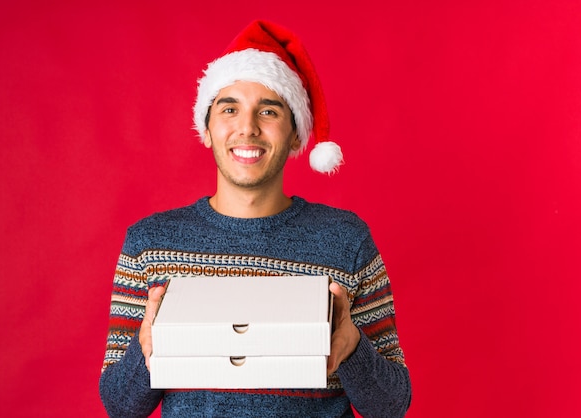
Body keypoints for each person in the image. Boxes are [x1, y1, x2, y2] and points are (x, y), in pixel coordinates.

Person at [99, 19, 412, 418]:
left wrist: (352, 346)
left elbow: (392, 405)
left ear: (296, 134)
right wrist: (146, 351)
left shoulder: (346, 239)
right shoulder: (150, 244)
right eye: (229, 109)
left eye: (268, 111)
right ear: (207, 128)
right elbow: (120, 406)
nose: (247, 128)